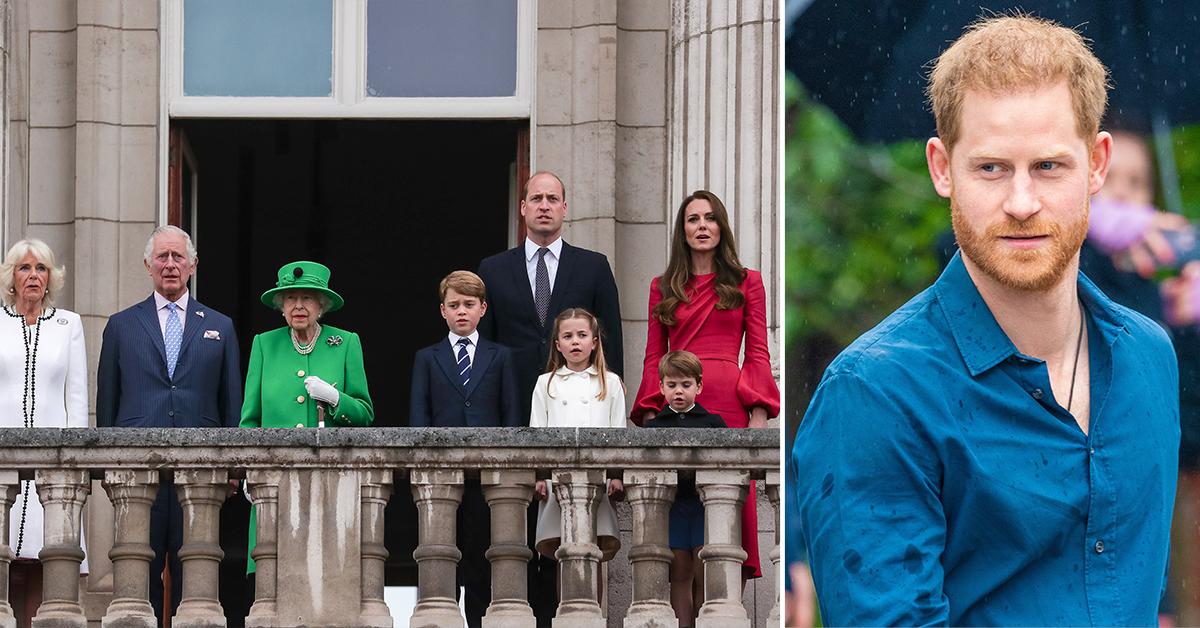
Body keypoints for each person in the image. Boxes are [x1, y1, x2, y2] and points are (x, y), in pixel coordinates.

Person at [792, 15, 1179, 626]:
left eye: (1049, 166)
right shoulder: (874, 395)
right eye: (992, 168)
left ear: (1097, 164)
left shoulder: (1150, 358)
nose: (1022, 204)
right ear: (942, 168)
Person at [477, 170, 623, 622]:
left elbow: (612, 345)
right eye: (535, 198)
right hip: (516, 409)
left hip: (581, 411)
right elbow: (486, 349)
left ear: (565, 208)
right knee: (515, 531)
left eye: (552, 198)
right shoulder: (493, 269)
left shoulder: (593, 265)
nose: (543, 205)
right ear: (522, 208)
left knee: (578, 538)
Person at [631, 189, 779, 582]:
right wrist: (650, 415)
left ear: (722, 227)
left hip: (729, 406)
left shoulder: (748, 282)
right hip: (675, 408)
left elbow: (759, 352)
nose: (702, 226)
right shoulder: (661, 287)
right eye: (693, 219)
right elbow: (652, 356)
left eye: (710, 218)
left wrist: (759, 413)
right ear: (682, 231)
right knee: (680, 525)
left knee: (724, 519)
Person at [97, 225, 242, 622]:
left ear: (193, 265)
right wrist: (108, 468)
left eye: (178, 257)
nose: (170, 264)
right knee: (136, 579)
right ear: (148, 265)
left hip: (200, 477)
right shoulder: (121, 325)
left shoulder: (221, 326)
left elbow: (232, 403)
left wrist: (232, 470)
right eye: (162, 256)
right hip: (136, 475)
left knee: (195, 578)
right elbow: (106, 404)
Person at [240, 261, 374, 572]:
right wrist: (247, 469)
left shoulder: (345, 343)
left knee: (326, 572)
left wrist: (336, 399)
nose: (298, 306)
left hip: (329, 482)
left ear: (322, 304)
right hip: (273, 483)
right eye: (290, 298)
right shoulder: (264, 344)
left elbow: (365, 414)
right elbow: (249, 420)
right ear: (281, 305)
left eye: (308, 298)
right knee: (274, 570)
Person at [409, 270, 520, 627]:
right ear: (442, 310)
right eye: (454, 305)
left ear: (483, 308)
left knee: (481, 557)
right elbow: (418, 418)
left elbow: (511, 417)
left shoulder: (501, 356)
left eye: (469, 304)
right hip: (441, 478)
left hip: (488, 477)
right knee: (439, 556)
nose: (461, 312)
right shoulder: (427, 358)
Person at [0, 239, 87, 626]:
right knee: (4, 563)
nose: (33, 275)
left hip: (53, 469)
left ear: (50, 278)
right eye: (25, 268)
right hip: (2, 463)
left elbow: (78, 397)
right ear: (11, 278)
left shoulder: (69, 325)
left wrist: (78, 465)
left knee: (44, 562)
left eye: (41, 268)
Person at [529, 308, 625, 592]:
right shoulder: (545, 383)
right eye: (567, 336)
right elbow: (536, 434)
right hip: (557, 480)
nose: (575, 342)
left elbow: (619, 433)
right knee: (564, 553)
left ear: (594, 341)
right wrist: (539, 476)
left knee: (594, 551)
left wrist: (616, 475)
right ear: (557, 344)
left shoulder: (611, 382)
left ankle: (595, 615)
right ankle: (567, 615)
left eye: (582, 335)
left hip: (598, 479)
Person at [641, 351, 725, 628]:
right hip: (673, 507)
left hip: (704, 506)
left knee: (705, 570)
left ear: (699, 386)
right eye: (672, 384)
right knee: (679, 574)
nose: (678, 391)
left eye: (686, 384)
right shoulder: (653, 427)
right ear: (661, 387)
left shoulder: (714, 424)